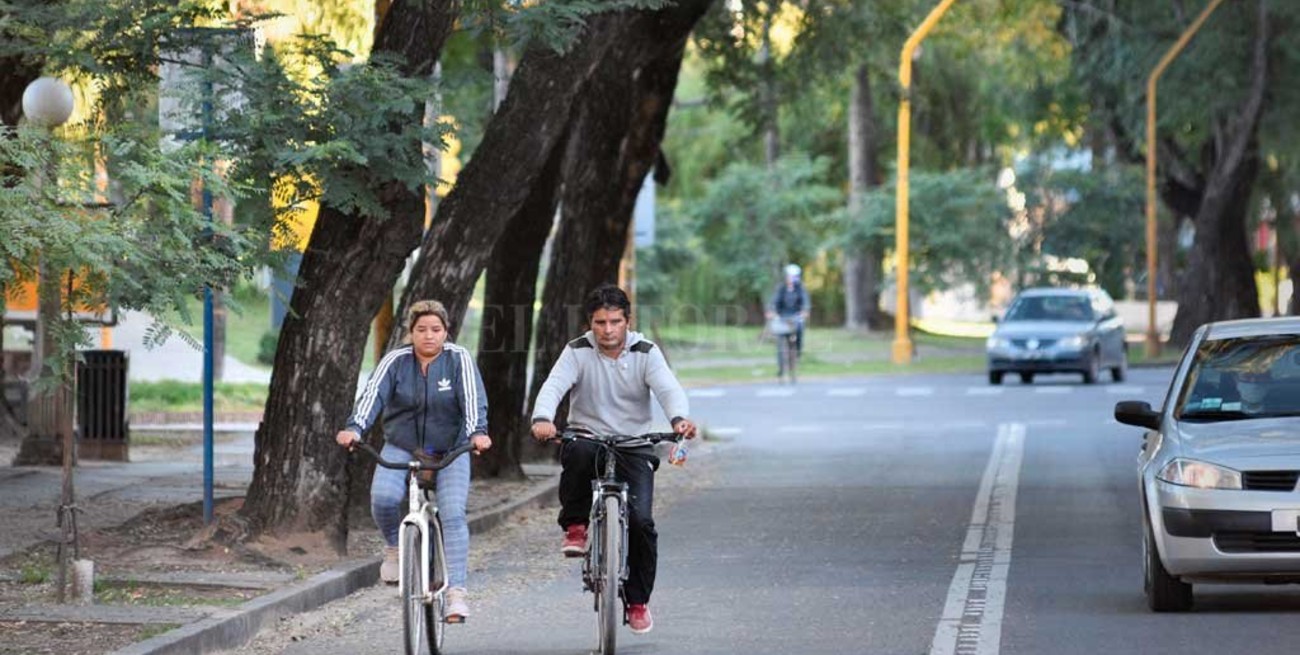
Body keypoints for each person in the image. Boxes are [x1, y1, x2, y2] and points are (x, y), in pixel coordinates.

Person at [530, 284, 698, 635]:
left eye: (615, 322)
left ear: (628, 321)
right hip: (588, 437)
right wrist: (543, 418)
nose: (607, 330)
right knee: (576, 451)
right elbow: (553, 385)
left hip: (634, 443)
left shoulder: (645, 351)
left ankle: (636, 601)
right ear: (590, 322)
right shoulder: (576, 351)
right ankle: (576, 526)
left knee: (641, 522)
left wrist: (678, 419)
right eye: (600, 322)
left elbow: (667, 388)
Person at [336, 300, 491, 621]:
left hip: (451, 449)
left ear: (446, 332)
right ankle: (395, 546)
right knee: (383, 498)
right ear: (410, 332)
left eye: (436, 329)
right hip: (402, 444)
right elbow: (372, 396)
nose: (429, 336)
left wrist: (478, 432)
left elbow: (473, 399)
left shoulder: (459, 359)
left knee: (452, 514)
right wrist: (354, 428)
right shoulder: (395, 360)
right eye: (421, 330)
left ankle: (456, 593)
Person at [765, 263, 811, 371]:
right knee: (780, 337)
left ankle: (797, 354)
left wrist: (805, 311)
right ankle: (781, 365)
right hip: (782, 317)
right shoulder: (781, 289)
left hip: (796, 317)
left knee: (799, 331)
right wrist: (771, 311)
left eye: (794, 276)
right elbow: (774, 301)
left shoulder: (801, 289)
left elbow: (805, 302)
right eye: (790, 276)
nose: (792, 279)